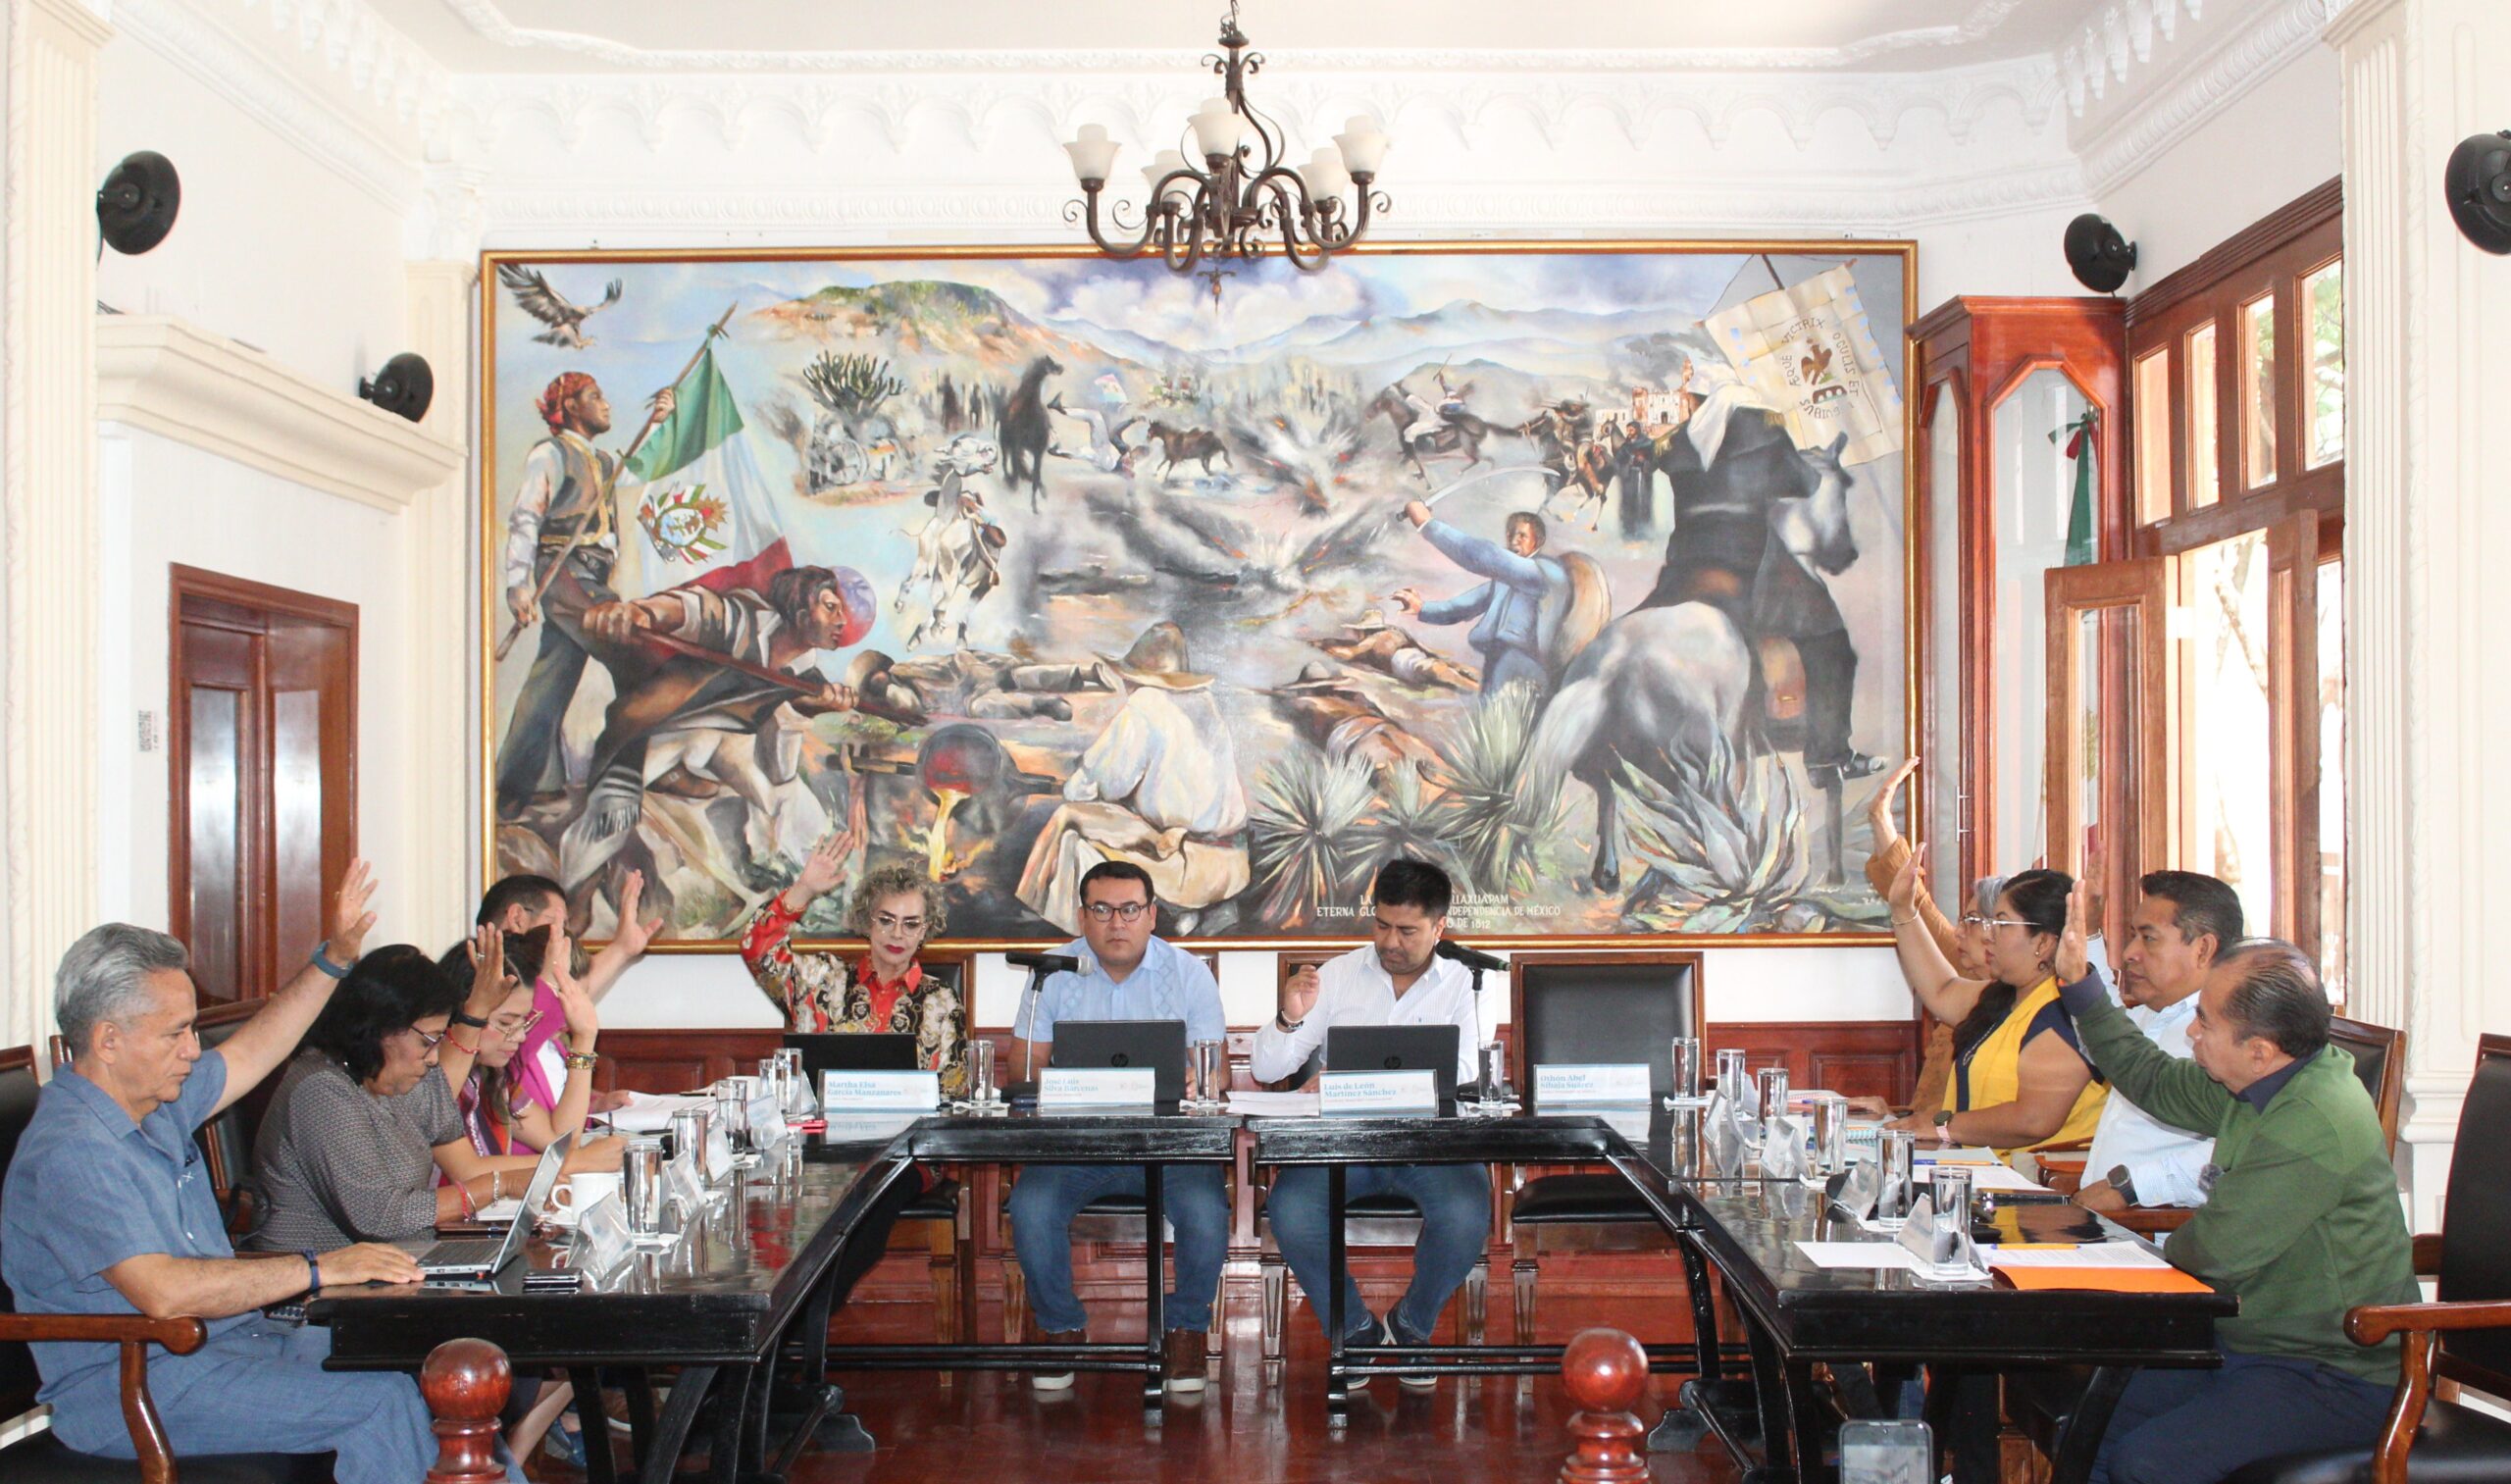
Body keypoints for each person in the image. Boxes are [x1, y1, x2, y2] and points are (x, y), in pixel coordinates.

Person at [0, 863, 442, 1484]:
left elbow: (256, 1047)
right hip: (139, 1388)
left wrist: (335, 959)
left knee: (424, 1368)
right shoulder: (71, 1149)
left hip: (230, 1349)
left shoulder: (154, 1101)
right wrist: (320, 1268)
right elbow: (164, 1292)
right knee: (380, 1402)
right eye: (176, 1033)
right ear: (107, 1040)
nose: (193, 1049)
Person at [2047, 899, 2418, 1484]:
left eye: (2205, 1021)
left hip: (2331, 1372)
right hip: (2251, 1345)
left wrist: (2128, 1257)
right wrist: (2082, 987)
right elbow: (2154, 1079)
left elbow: (2215, 1253)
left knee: (2149, 1463)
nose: (2191, 1031)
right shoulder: (2264, 1079)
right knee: (2088, 1424)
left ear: (2259, 1050)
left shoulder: (2310, 1121)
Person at [1250, 858, 1488, 1391]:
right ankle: (1355, 1329)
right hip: (1344, 1144)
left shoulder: (1466, 982)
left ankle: (1412, 1326)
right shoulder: (1335, 976)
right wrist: (1290, 1016)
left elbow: (1468, 1070)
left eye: (1407, 930)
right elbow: (1266, 1069)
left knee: (1467, 1212)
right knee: (1291, 1209)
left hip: (1431, 1149)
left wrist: (1358, 1078)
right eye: (1381, 925)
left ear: (1439, 927)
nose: (1390, 942)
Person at [1004, 861, 1230, 1395]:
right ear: (1083, 916)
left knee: (1206, 1211)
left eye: (1130, 909)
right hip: (1078, 1146)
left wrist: (1199, 1079)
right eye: (1102, 910)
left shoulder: (1189, 973)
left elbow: (1216, 1072)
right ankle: (1061, 1327)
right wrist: (1051, 1079)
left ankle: (1185, 1330)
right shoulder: (1053, 971)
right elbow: (1022, 1074)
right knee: (1030, 1206)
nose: (1116, 923)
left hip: (1170, 1148)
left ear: (1152, 915)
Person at [249, 938, 619, 1254]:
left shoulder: (385, 1078)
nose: (432, 1058)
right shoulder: (322, 1090)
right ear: (382, 1028)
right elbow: (380, 1217)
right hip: (325, 1291)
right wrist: (500, 1185)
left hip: (402, 1265)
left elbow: (438, 1111)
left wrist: (477, 1011)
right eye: (428, 1041)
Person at [496, 372, 675, 819]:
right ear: (571, 406)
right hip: (563, 571)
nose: (606, 404)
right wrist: (518, 583)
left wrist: (657, 423)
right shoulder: (549, 454)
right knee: (637, 655)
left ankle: (523, 784)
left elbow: (639, 471)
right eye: (596, 396)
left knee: (554, 674)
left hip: (592, 574)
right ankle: (634, 772)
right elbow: (526, 518)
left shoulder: (604, 461)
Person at [1014, 622, 1250, 937]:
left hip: (1186, 867)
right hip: (1230, 867)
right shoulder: (1205, 702)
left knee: (1071, 828)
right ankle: (1193, 912)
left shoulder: (1147, 703)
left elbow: (1104, 784)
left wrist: (1076, 786)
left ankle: (1086, 933)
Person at [1882, 862, 2107, 1155]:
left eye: (2001, 924)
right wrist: (1903, 910)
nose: (1988, 936)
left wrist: (1942, 1126)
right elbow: (1941, 989)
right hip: (1974, 1167)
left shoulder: (2066, 1011)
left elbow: (2034, 1120)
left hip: (2030, 1178)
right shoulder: (2006, 997)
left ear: (2042, 942)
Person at [741, 831, 970, 1097]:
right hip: (823, 1122)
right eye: (885, 920)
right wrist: (803, 888)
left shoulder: (942, 1001)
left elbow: (953, 1095)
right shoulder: (818, 980)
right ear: (866, 921)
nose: (897, 934)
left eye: (911, 924)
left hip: (911, 1125)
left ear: (924, 931)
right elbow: (756, 949)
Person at [2074, 871, 2242, 1214]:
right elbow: (2102, 1037)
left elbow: (2242, 1146)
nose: (2129, 953)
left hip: (2157, 1229)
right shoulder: (2155, 1013)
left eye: (2148, 938)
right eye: (2132, 935)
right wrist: (2089, 936)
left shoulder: (2232, 1034)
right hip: (2105, 1218)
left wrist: (2131, 1188)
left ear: (2203, 949)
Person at [1862, 756, 2003, 1119]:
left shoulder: (2021, 997)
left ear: (2001, 930)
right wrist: (1891, 1115)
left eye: (1971, 921)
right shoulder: (1966, 967)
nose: (1958, 931)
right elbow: (1915, 904)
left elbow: (1917, 908)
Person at [475, 870, 657, 1118]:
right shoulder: (484, 995)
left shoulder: (544, 1028)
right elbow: (548, 1010)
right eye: (558, 923)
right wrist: (620, 950)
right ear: (517, 918)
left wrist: (595, 1106)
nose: (566, 935)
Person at [1395, 502, 1570, 698]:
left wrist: (1427, 525)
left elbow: (1487, 556)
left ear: (1537, 541)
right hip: (1496, 661)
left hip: (1527, 664)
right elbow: (1461, 607)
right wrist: (1422, 608)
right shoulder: (1505, 582)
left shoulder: (1546, 573)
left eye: (1522, 535)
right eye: (1510, 535)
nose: (1514, 541)